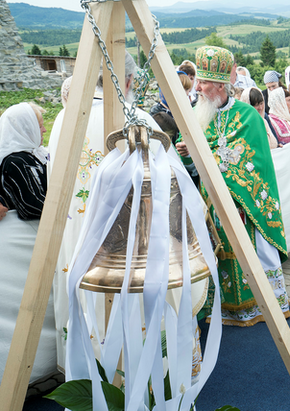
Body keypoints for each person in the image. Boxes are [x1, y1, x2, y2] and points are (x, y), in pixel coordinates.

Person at [48, 50, 162, 372]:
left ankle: (87, 379)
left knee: (87, 307)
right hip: (128, 247)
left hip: (76, 237)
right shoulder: (139, 120)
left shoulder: (64, 118)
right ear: (127, 80)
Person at [174, 46, 289, 326]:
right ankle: (220, 307)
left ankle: (262, 304)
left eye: (204, 82)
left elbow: (254, 164)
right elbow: (188, 165)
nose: (197, 87)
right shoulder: (196, 114)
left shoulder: (248, 117)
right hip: (208, 202)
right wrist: (186, 154)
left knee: (252, 249)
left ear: (220, 84)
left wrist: (205, 156)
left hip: (243, 204)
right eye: (198, 81)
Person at [0, 102, 57, 384]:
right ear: (24, 128)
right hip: (32, 236)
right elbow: (30, 205)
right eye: (38, 124)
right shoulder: (15, 161)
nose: (44, 128)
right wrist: (67, 212)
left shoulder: (35, 155)